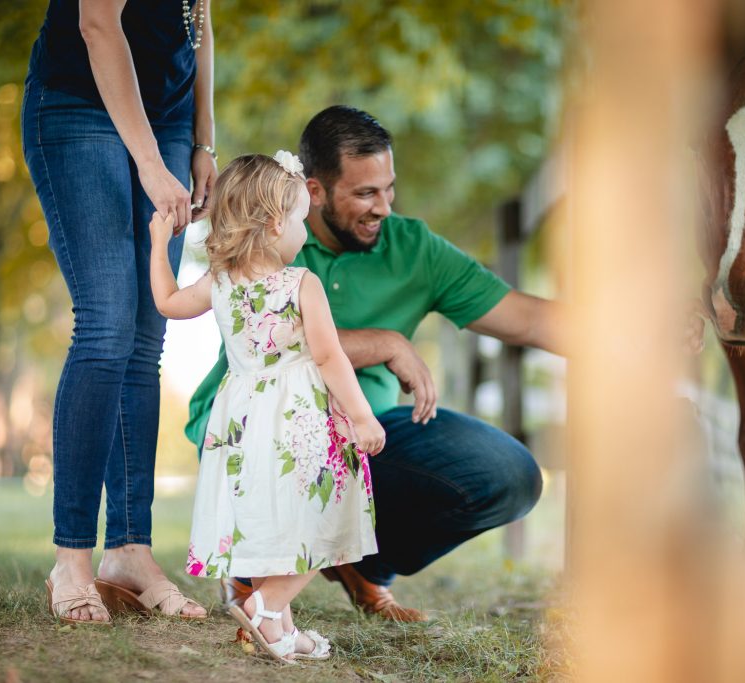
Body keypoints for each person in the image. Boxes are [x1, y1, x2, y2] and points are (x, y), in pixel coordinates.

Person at [186, 105, 562, 622]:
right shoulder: (267, 239)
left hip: (366, 425)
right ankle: (249, 573)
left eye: (389, 189)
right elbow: (268, 335)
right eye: (365, 193)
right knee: (276, 448)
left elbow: (528, 320)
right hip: (256, 423)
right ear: (313, 193)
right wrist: (383, 342)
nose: (383, 207)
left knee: (511, 475)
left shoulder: (414, 247)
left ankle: (365, 567)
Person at [22, 0, 216, 623]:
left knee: (144, 337)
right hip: (81, 103)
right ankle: (72, 558)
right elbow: (97, 23)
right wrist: (152, 165)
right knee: (106, 323)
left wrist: (202, 138)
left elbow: (200, 20)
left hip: (171, 118)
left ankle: (130, 550)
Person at [150, 151, 384, 663]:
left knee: (264, 521)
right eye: (301, 218)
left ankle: (278, 625)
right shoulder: (302, 282)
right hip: (300, 417)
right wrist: (362, 415)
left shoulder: (220, 283)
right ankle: (265, 604)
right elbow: (328, 355)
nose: (304, 230)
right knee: (327, 510)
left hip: (242, 421)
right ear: (276, 222)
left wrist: (155, 243)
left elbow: (167, 302)